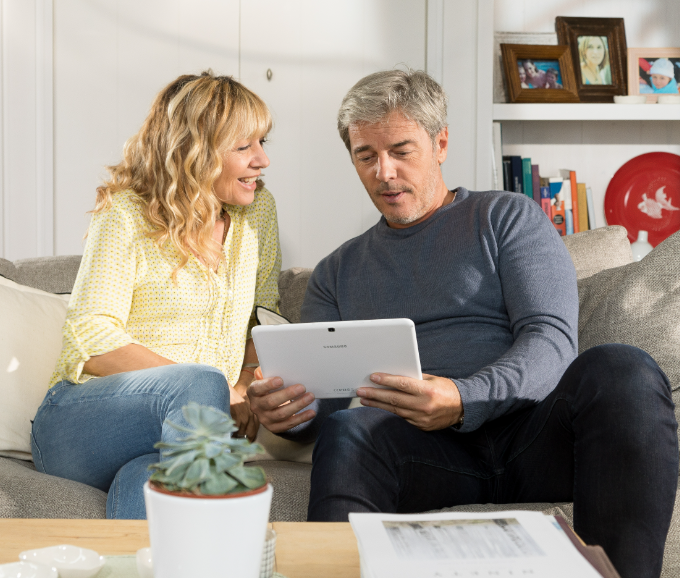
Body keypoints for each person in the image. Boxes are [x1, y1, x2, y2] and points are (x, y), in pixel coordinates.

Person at [247, 70, 678, 578]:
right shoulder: (336, 273)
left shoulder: (505, 217)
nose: (383, 171)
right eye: (366, 155)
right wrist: (289, 413)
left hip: (535, 437)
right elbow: (323, 405)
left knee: (622, 368)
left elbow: (551, 340)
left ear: (441, 143)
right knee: (348, 429)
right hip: (422, 452)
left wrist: (460, 398)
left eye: (401, 150)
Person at [31, 72, 282, 519]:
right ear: (196, 152)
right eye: (244, 146)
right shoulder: (126, 213)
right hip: (81, 425)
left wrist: (245, 382)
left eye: (262, 141)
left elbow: (265, 315)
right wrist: (219, 387)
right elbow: (90, 337)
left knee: (147, 484)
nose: (262, 159)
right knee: (200, 382)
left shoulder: (257, 210)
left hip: (181, 433)